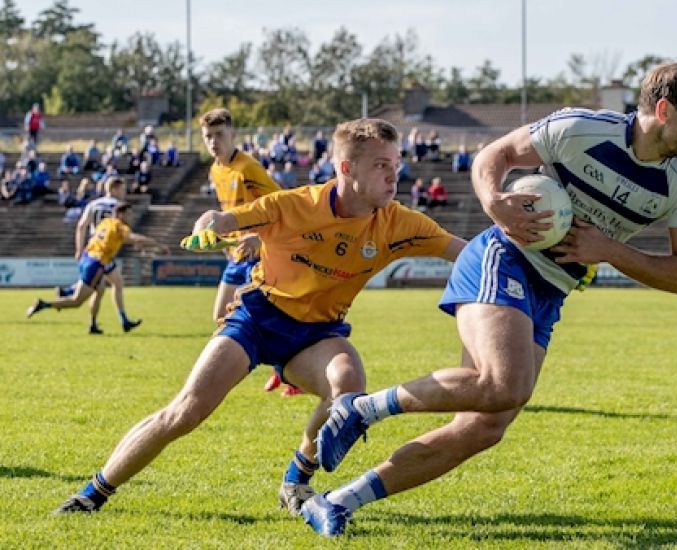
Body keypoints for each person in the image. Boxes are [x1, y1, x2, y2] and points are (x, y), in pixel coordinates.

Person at [303, 61, 677, 537]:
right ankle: (360, 409)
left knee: (483, 427)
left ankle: (335, 501)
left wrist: (609, 251)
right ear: (665, 110)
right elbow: (492, 157)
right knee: (506, 383)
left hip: (553, 289)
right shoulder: (580, 129)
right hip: (505, 257)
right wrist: (493, 200)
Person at [51, 117, 465, 517]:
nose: (394, 176)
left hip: (318, 333)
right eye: (381, 165)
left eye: (395, 164)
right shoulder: (294, 205)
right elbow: (223, 219)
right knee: (187, 411)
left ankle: (295, 482)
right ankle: (93, 492)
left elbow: (463, 251)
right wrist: (208, 225)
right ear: (345, 167)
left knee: (348, 389)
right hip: (257, 318)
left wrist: (519, 247)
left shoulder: (399, 222)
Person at [196, 108, 294, 395]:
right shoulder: (215, 169)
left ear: (233, 135)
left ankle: (288, 372)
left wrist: (259, 239)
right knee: (220, 316)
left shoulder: (248, 168)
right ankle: (282, 369)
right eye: (208, 136)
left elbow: (282, 207)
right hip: (237, 255)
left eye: (220, 135)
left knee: (262, 318)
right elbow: (231, 212)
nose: (214, 142)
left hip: (260, 255)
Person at [27, 203, 167, 331]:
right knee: (77, 301)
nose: (131, 217)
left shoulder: (106, 222)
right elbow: (134, 238)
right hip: (96, 264)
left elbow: (115, 239)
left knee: (100, 290)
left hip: (87, 257)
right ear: (120, 214)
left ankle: (92, 323)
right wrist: (158, 245)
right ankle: (44, 304)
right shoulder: (120, 226)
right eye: (129, 214)